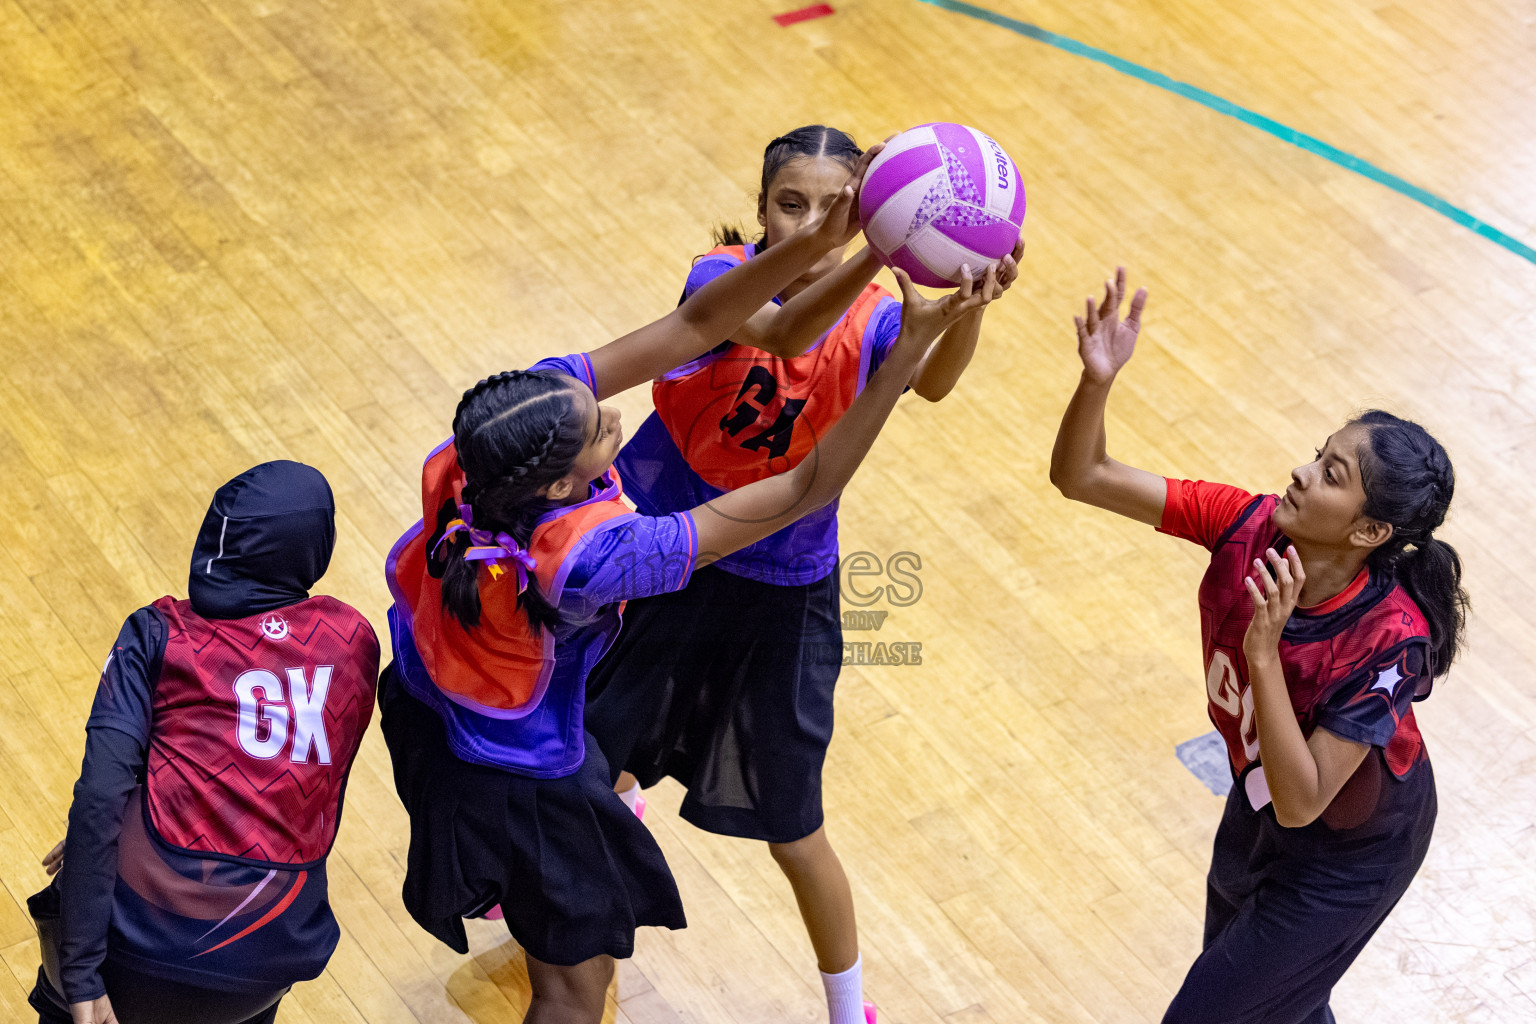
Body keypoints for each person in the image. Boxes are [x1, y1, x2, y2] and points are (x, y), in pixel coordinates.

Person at [380, 146, 1003, 1024]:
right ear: (562, 486)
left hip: (432, 714)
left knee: (685, 811)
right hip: (521, 772)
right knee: (575, 987)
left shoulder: (471, 456)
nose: (611, 411)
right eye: (599, 429)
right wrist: (888, 330)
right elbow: (803, 483)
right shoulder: (599, 557)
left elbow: (687, 334)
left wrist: (874, 266)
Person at [584, 125, 1022, 1024]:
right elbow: (787, 334)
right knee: (594, 751)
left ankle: (849, 1007)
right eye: (794, 205)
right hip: (668, 552)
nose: (812, 222)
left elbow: (931, 385)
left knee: (794, 828)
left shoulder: (877, 316)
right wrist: (866, 240)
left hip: (783, 582)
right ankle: (577, 891)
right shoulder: (718, 277)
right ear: (759, 211)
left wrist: (971, 303)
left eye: (835, 205)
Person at [1049, 269, 1466, 1023]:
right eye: (1317, 453)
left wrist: (1264, 653)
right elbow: (1082, 475)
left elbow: (1309, 801)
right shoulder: (1247, 524)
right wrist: (1097, 383)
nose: (1302, 471)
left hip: (1351, 854)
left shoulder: (1388, 640)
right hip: (1259, 804)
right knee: (1280, 1009)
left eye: (1331, 473)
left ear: (1368, 532)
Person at [28, 461, 380, 1024]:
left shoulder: (157, 632)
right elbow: (299, 786)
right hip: (269, 955)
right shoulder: (353, 642)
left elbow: (99, 795)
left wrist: (81, 967)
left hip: (134, 951)